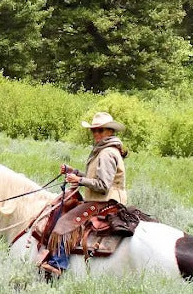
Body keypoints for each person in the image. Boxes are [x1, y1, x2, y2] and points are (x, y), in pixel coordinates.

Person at [38, 112, 129, 276]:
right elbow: (93, 178)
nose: (96, 134)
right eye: (94, 131)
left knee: (64, 224)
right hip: (101, 199)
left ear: (110, 131)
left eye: (100, 131)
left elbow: (102, 186)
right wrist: (74, 172)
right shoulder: (104, 150)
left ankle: (58, 265)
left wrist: (79, 180)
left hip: (105, 201)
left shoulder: (107, 153)